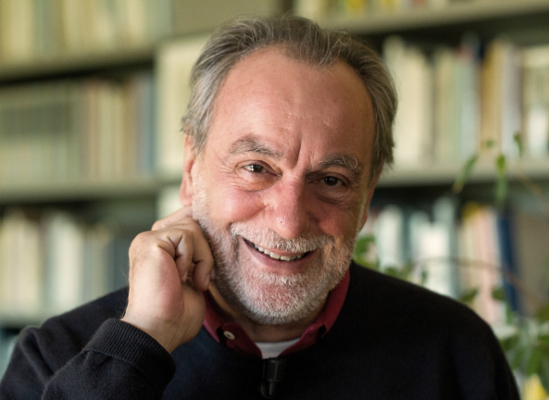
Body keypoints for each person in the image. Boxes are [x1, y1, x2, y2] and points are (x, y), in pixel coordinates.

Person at [0, 16, 520, 399]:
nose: (288, 221)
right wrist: (140, 344)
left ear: (367, 196)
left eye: (331, 180)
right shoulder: (57, 358)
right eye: (256, 167)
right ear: (191, 168)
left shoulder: (458, 356)